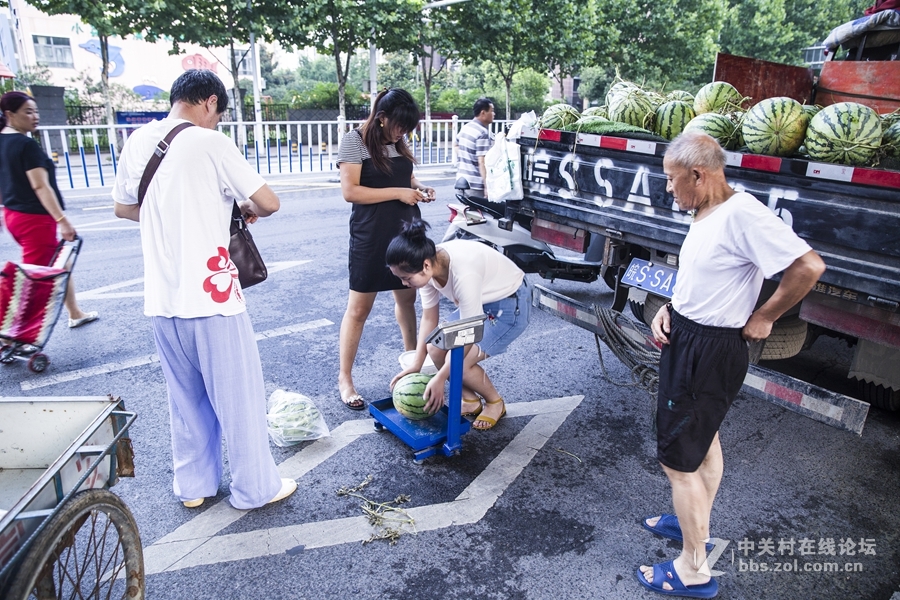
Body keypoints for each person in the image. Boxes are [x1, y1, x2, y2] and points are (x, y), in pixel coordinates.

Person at [638, 131, 825, 598]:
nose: (667, 188)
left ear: (698, 175)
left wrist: (764, 317)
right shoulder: (707, 209)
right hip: (690, 337)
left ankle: (693, 569)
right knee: (703, 442)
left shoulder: (743, 214)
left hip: (710, 351)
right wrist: (672, 308)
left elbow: (808, 267)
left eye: (671, 179)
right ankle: (692, 525)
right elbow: (705, 274)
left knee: (678, 462)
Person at [112, 70, 295, 510]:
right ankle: (255, 489)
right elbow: (268, 202)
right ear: (210, 102)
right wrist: (237, 207)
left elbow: (123, 208)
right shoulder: (210, 141)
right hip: (213, 299)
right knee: (240, 399)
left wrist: (181, 217)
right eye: (218, 114)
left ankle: (194, 487)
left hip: (162, 299)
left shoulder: (138, 140)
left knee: (186, 400)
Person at [336, 88, 435, 411]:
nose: (403, 132)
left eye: (407, 127)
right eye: (398, 126)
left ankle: (411, 368)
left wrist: (418, 187)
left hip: (405, 232)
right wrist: (399, 193)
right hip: (371, 235)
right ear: (381, 118)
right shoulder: (355, 140)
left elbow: (404, 175)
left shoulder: (397, 142)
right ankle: (345, 378)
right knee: (359, 309)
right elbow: (351, 191)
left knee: (407, 300)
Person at [387, 218, 531, 430]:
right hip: (481, 303)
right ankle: (470, 400)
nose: (404, 284)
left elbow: (468, 332)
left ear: (425, 266)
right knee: (435, 349)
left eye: (406, 278)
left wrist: (439, 378)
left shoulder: (464, 274)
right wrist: (416, 365)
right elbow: (429, 318)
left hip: (510, 305)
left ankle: (495, 402)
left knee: (459, 365)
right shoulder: (428, 267)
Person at [0, 91, 98, 328]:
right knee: (35, 278)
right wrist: (62, 220)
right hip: (34, 220)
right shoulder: (25, 145)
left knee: (60, 265)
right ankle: (16, 331)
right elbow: (40, 186)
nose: (35, 117)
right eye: (28, 112)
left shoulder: (2, 141)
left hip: (13, 215)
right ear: (10, 114)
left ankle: (75, 313)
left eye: (36, 111)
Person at [455, 97, 495, 199]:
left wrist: (465, 159)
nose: (494, 114)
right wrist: (487, 187)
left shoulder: (466, 127)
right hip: (475, 186)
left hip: (461, 180)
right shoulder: (482, 133)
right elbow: (482, 162)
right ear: (483, 113)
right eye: (491, 111)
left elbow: (456, 145)